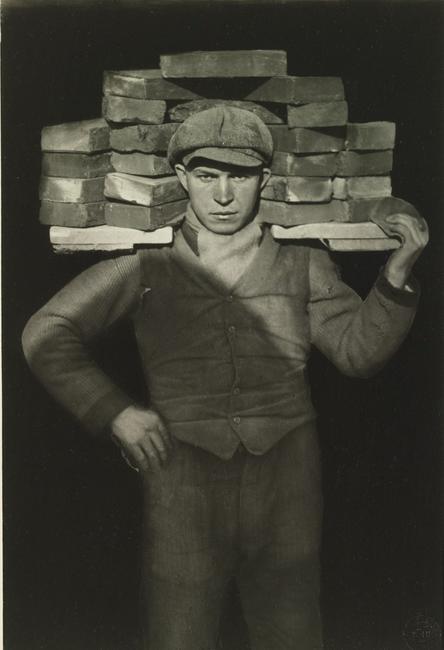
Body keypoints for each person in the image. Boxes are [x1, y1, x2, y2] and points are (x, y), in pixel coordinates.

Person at [22, 106, 429, 650]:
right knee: (179, 637)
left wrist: (396, 276)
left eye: (238, 176)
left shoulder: (302, 262)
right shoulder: (148, 263)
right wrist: (115, 411)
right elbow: (46, 330)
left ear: (263, 179)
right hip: (180, 486)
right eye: (207, 175)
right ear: (183, 178)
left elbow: (359, 354)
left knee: (292, 637)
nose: (222, 195)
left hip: (286, 485)